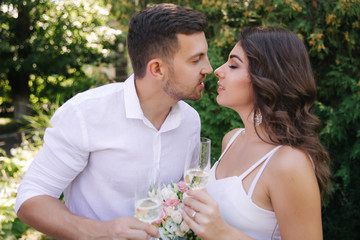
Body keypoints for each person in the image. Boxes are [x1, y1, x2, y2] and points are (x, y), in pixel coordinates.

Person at [15, 3, 213, 239]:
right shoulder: (85, 114)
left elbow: (187, 197)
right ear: (157, 68)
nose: (209, 68)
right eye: (196, 60)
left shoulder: (190, 121)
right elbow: (31, 197)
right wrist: (101, 232)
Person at [181, 26, 331, 240]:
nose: (218, 70)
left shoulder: (289, 163)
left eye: (233, 65)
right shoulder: (231, 139)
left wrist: (222, 233)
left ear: (268, 78)